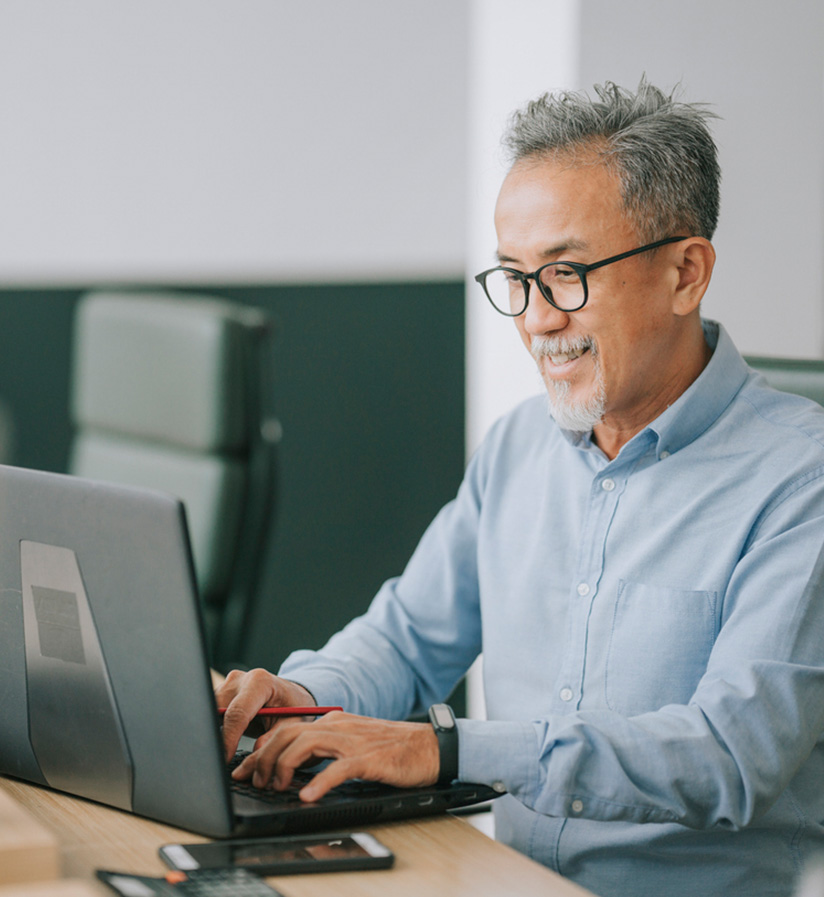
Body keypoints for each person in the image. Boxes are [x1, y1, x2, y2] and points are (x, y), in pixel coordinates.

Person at [217, 79, 824, 897]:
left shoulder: (800, 478)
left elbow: (727, 753)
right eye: (514, 277)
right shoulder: (519, 446)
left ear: (686, 273)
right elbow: (404, 639)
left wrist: (445, 748)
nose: (536, 319)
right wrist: (297, 699)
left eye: (566, 274)